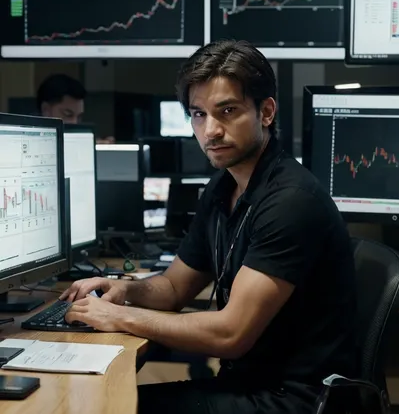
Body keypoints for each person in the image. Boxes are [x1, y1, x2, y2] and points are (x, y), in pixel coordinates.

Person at [61, 40, 357, 414]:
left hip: (295, 399)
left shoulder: (291, 201)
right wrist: (121, 289)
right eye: (198, 114)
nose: (210, 130)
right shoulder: (224, 186)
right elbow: (173, 289)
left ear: (266, 112)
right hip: (246, 384)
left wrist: (119, 316)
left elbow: (231, 334)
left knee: (106, 408)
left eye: (227, 111)